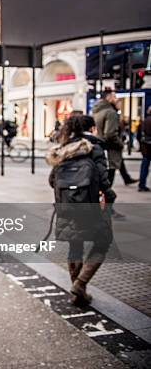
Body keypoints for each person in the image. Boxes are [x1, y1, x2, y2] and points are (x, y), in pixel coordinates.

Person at [46, 115, 115, 307]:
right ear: (92, 128)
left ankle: (78, 294)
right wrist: (110, 197)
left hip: (67, 207)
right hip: (90, 206)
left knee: (74, 245)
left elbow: (52, 180)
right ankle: (80, 284)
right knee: (103, 242)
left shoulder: (65, 148)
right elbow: (103, 179)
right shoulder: (95, 147)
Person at [92, 88, 124, 187]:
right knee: (108, 185)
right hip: (110, 150)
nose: (116, 99)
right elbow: (110, 134)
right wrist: (120, 144)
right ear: (109, 97)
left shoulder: (97, 110)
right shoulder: (110, 112)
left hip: (101, 148)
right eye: (114, 97)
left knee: (101, 182)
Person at [138, 106, 151, 192]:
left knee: (144, 167)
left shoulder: (144, 121)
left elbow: (139, 135)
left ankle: (141, 184)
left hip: (145, 148)